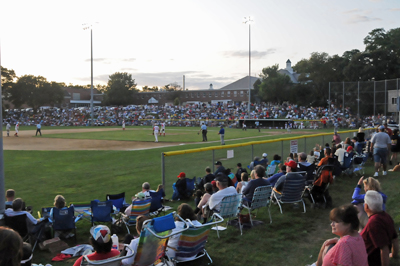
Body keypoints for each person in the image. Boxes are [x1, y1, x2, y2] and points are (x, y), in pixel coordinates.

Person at [361, 190, 399, 266]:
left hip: (369, 261)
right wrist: (394, 255)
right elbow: (394, 239)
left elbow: (384, 248)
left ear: (366, 206)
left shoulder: (374, 223)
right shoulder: (386, 216)